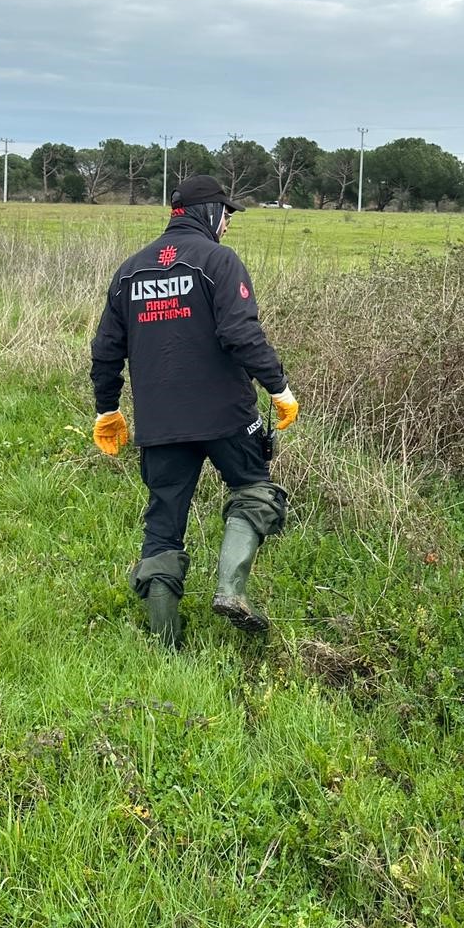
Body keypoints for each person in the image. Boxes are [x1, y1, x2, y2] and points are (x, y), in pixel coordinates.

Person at [89, 174, 299, 648]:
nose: (227, 224)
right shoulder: (218, 261)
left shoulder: (130, 270)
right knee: (254, 492)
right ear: (209, 214)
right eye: (226, 215)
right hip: (226, 415)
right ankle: (230, 591)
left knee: (163, 520)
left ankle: (166, 645)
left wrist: (107, 409)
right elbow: (242, 334)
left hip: (161, 423)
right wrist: (279, 389)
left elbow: (105, 350)